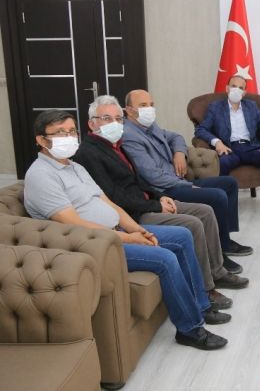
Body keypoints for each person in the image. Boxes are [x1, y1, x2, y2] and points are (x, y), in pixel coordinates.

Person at [24, 110, 229, 350]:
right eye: (60, 133)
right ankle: (190, 330)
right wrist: (127, 238)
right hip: (93, 245)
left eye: (71, 131)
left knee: (182, 235)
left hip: (116, 232)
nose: (68, 137)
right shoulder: (41, 176)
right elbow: (72, 224)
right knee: (165, 258)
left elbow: (110, 204)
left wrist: (137, 230)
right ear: (41, 140)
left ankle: (201, 306)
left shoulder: (74, 167)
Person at [74, 95, 248, 311]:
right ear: (92, 124)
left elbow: (138, 181)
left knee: (205, 211)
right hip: (134, 214)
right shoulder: (88, 153)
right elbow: (114, 197)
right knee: (193, 223)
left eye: (118, 119)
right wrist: (156, 205)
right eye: (107, 119)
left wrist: (158, 197)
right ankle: (205, 289)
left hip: (149, 200)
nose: (115, 124)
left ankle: (217, 271)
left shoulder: (115, 145)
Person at [121, 89, 251, 274]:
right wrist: (188, 185)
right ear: (129, 110)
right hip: (164, 189)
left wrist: (179, 153)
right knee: (217, 196)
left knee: (229, 183)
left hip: (176, 180)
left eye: (151, 104)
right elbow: (152, 176)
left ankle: (225, 240)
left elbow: (176, 137)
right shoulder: (129, 135)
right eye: (143, 105)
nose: (149, 109)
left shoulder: (150, 126)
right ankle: (220, 253)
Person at [194, 75, 260, 220]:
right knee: (222, 164)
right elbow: (201, 129)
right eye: (233, 86)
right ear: (227, 88)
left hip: (251, 148)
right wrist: (217, 142)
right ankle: (221, 206)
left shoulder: (251, 106)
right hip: (229, 148)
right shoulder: (215, 107)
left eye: (241, 88)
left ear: (244, 93)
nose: (236, 90)